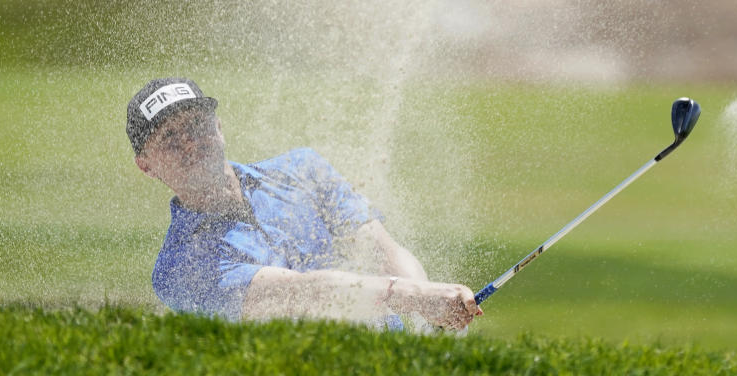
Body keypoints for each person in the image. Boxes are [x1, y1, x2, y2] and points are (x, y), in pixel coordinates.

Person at [126, 77, 483, 330]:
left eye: (197, 125)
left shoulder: (303, 169)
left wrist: (429, 313)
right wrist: (414, 295)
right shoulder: (178, 268)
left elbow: (379, 246)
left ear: (219, 126)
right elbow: (305, 293)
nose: (190, 143)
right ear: (146, 165)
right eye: (170, 137)